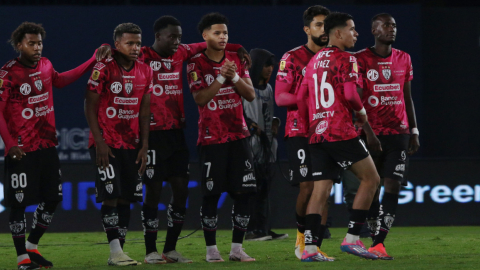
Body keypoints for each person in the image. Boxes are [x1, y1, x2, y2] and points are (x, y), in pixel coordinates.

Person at [95, 16, 249, 264]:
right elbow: (115, 50)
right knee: (153, 192)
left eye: (179, 37)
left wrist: (236, 47)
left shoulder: (182, 53)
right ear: (158, 37)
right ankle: (150, 251)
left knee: (180, 191)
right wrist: (102, 47)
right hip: (151, 134)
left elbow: (208, 44)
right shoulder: (142, 54)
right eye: (172, 37)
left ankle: (170, 249)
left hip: (176, 132)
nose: (177, 41)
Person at [0, 22, 97, 269]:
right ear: (19, 45)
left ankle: (32, 246)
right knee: (19, 203)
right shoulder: (7, 74)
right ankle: (22, 259)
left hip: (46, 145)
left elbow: (60, 80)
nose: (37, 47)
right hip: (21, 149)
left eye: (39, 42)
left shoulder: (46, 65)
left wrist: (92, 61)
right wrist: (9, 144)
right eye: (31, 43)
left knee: (53, 198)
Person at [297, 12, 380, 261]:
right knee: (371, 179)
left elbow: (302, 98)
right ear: (338, 33)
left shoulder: (313, 61)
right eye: (352, 29)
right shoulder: (348, 59)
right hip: (340, 130)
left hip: (317, 133)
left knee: (320, 191)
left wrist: (312, 124)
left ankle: (310, 249)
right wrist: (362, 113)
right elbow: (351, 94)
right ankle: (353, 239)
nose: (356, 34)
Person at [187, 12, 256, 263]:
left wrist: (235, 76)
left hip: (239, 135)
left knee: (244, 193)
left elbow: (250, 95)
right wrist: (221, 77)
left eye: (225, 32)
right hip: (211, 138)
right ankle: (211, 250)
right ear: (204, 36)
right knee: (211, 195)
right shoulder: (195, 63)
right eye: (217, 32)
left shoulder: (238, 58)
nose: (223, 37)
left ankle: (237, 249)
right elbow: (200, 99)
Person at [85, 23, 152, 266]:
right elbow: (89, 106)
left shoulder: (145, 70)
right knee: (110, 197)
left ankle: (120, 253)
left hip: (132, 143)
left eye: (138, 43)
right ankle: (115, 252)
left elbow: (145, 111)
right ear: (117, 45)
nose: (135, 48)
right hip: (107, 143)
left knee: (126, 198)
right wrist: (99, 142)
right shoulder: (103, 68)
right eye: (130, 43)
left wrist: (145, 145)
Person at [354, 13, 419, 259]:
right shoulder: (360, 59)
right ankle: (372, 234)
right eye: (386, 25)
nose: (391, 29)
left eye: (394, 25)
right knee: (371, 185)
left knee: (393, 184)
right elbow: (356, 101)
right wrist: (367, 132)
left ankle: (379, 242)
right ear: (374, 30)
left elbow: (406, 96)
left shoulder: (404, 58)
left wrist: (414, 130)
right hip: (370, 134)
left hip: (399, 133)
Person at [274, 5, 333, 260]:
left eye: (327, 25)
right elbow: (280, 97)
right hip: (299, 130)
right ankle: (300, 239)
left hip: (330, 131)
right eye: (319, 25)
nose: (324, 30)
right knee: (307, 187)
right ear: (307, 29)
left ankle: (315, 246)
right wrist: (308, 99)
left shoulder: (336, 57)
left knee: (325, 189)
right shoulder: (292, 57)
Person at [242, 48, 286, 241]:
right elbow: (239, 114)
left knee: (266, 189)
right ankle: (251, 230)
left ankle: (264, 228)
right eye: (267, 65)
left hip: (267, 144)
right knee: (252, 188)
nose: (270, 69)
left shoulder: (268, 89)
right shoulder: (245, 86)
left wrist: (274, 122)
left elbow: (267, 112)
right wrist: (252, 127)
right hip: (251, 144)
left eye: (272, 66)